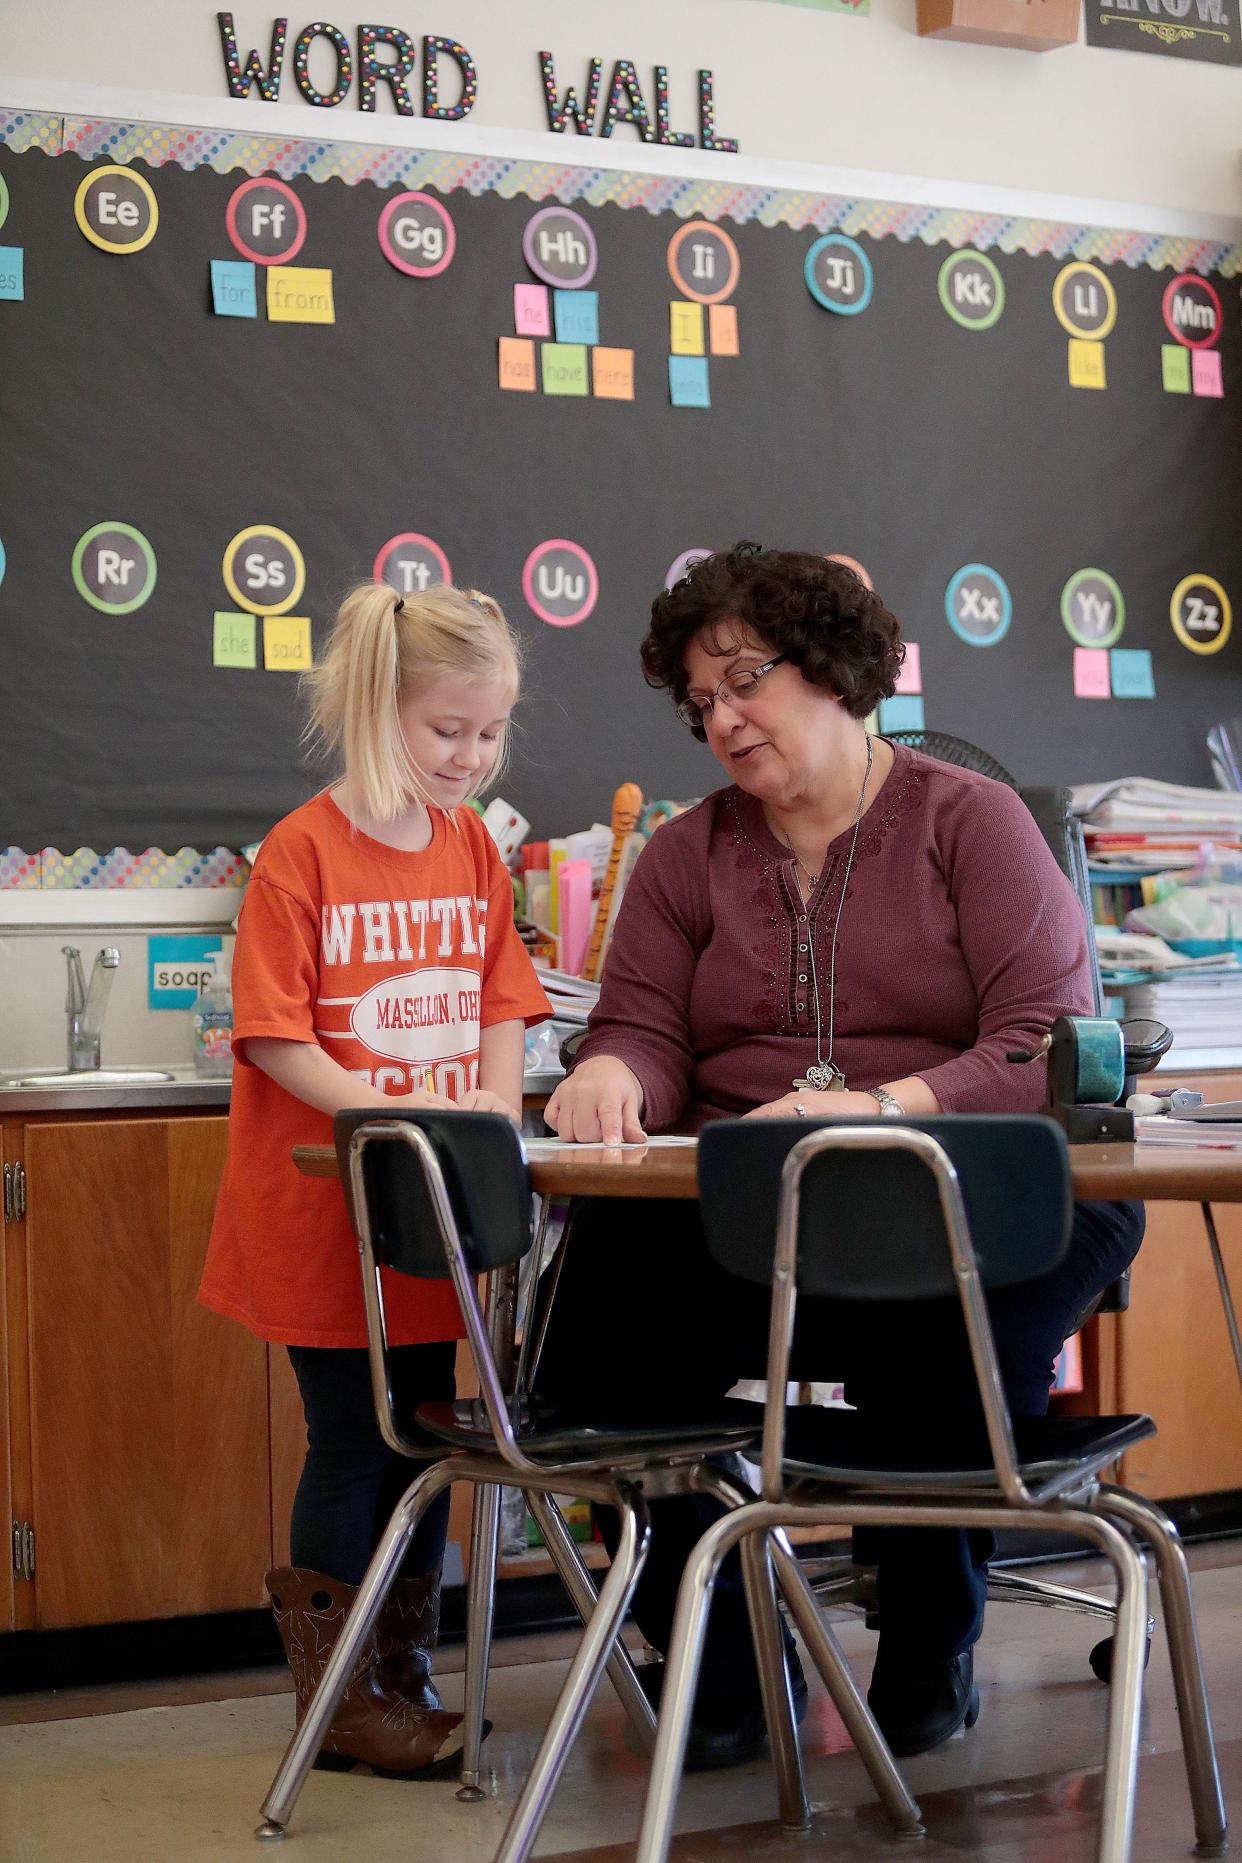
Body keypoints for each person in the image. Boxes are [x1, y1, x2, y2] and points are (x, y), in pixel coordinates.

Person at [539, 542, 1142, 1768]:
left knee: (943, 1321)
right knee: (599, 1306)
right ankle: (710, 1652)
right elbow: (644, 1030)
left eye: (747, 679)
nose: (722, 719)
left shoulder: (970, 823)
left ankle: (931, 1647)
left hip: (981, 1193)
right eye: (700, 702)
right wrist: (612, 1071)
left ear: (836, 670)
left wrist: (882, 1105)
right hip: (759, 1215)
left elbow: (1048, 1040)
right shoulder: (685, 854)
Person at [199, 581, 551, 1778]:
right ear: (373, 710)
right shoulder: (303, 852)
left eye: (490, 731)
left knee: (421, 1441)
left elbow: (506, 996)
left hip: (431, 1220)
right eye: (447, 728)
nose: (472, 756)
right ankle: (343, 1698)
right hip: (324, 1219)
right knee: (357, 1444)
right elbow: (276, 1035)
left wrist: (493, 1116)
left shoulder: (468, 847)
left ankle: (401, 1676)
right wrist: (397, 1110)